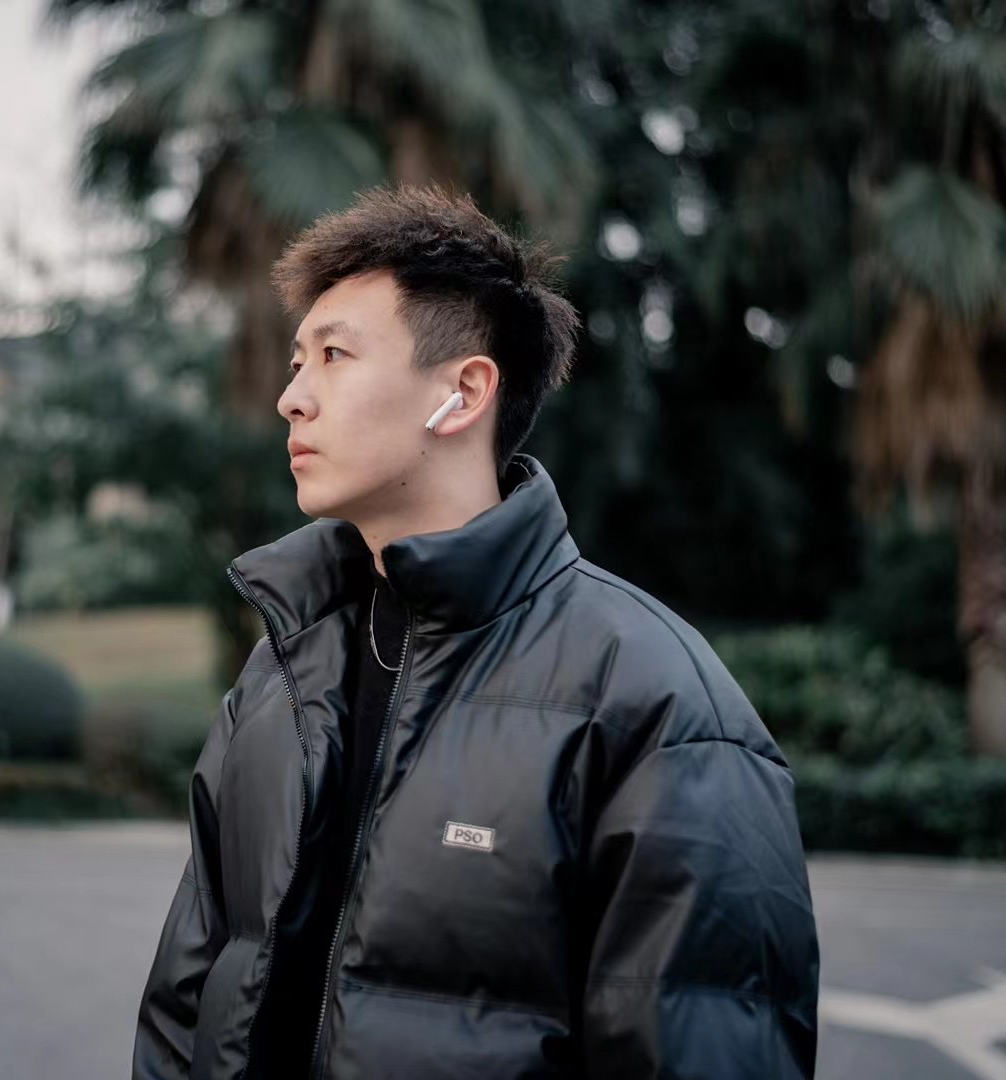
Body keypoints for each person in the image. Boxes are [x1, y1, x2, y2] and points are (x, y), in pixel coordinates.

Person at [132, 185, 820, 1080]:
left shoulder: (652, 700)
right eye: (298, 363)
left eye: (333, 356)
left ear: (462, 393)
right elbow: (184, 1007)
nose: (291, 399)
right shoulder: (280, 672)